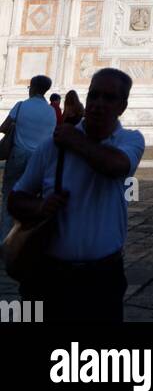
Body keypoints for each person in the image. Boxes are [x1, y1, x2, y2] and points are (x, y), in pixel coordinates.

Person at [8, 68, 144, 323]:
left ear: (122, 106)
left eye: (109, 98)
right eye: (94, 96)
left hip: (103, 277)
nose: (98, 104)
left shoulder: (129, 141)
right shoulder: (52, 147)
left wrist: (73, 140)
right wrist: (40, 208)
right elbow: (15, 198)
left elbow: (114, 167)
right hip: (49, 275)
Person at [0, 75, 57, 241]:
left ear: (32, 87)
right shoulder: (51, 111)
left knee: (9, 197)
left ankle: (5, 239)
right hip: (38, 160)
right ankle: (26, 239)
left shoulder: (21, 106)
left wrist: (15, 126)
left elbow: (3, 128)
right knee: (33, 200)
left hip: (18, 155)